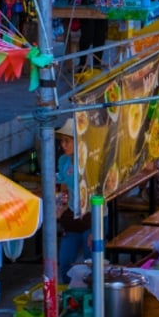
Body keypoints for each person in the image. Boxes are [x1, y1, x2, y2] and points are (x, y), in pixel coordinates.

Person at [55, 118, 92, 278]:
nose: (63, 145)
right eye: (62, 141)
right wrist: (61, 207)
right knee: (64, 262)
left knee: (92, 263)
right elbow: (65, 189)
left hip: (92, 217)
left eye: (67, 141)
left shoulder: (90, 162)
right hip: (72, 215)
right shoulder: (63, 161)